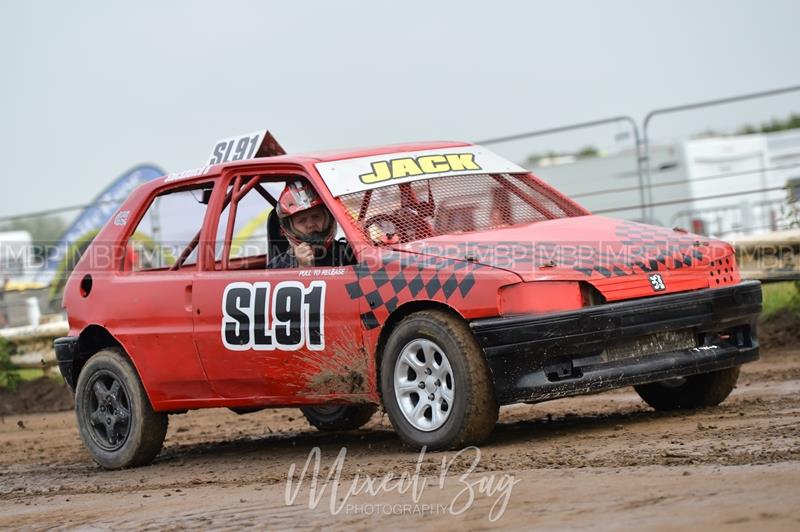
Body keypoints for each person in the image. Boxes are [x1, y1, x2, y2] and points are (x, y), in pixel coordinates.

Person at [267, 180, 355, 269]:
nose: (310, 224)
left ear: (328, 218)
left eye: (316, 217)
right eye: (302, 220)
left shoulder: (350, 254)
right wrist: (303, 268)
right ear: (290, 228)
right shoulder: (278, 266)